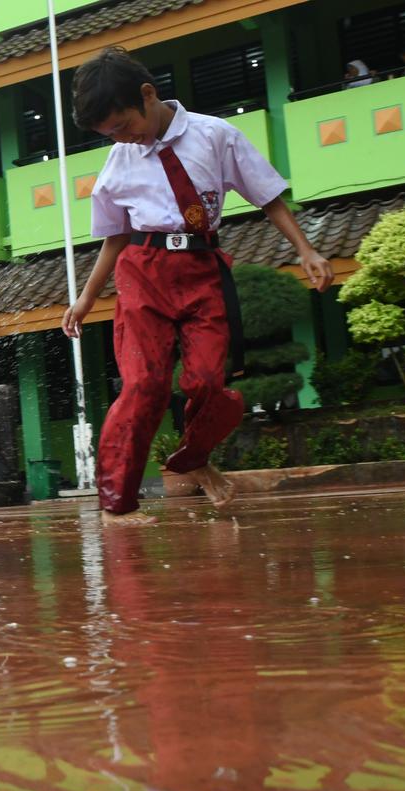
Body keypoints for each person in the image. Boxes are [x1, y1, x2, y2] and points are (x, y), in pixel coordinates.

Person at [59, 47, 333, 526]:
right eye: (110, 134)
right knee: (144, 383)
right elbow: (114, 238)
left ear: (148, 94)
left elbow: (268, 197)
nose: (121, 138)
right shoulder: (119, 161)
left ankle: (192, 458)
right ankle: (117, 505)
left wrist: (306, 251)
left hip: (203, 267)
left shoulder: (215, 135)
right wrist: (85, 298)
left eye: (123, 125)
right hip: (143, 271)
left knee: (208, 382)